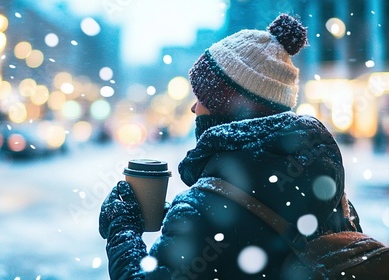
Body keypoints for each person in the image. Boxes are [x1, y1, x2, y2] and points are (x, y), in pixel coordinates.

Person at [99, 13, 362, 279]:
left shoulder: (204, 209)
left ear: (224, 109)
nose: (194, 107)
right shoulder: (330, 195)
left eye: (201, 98)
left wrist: (122, 227)